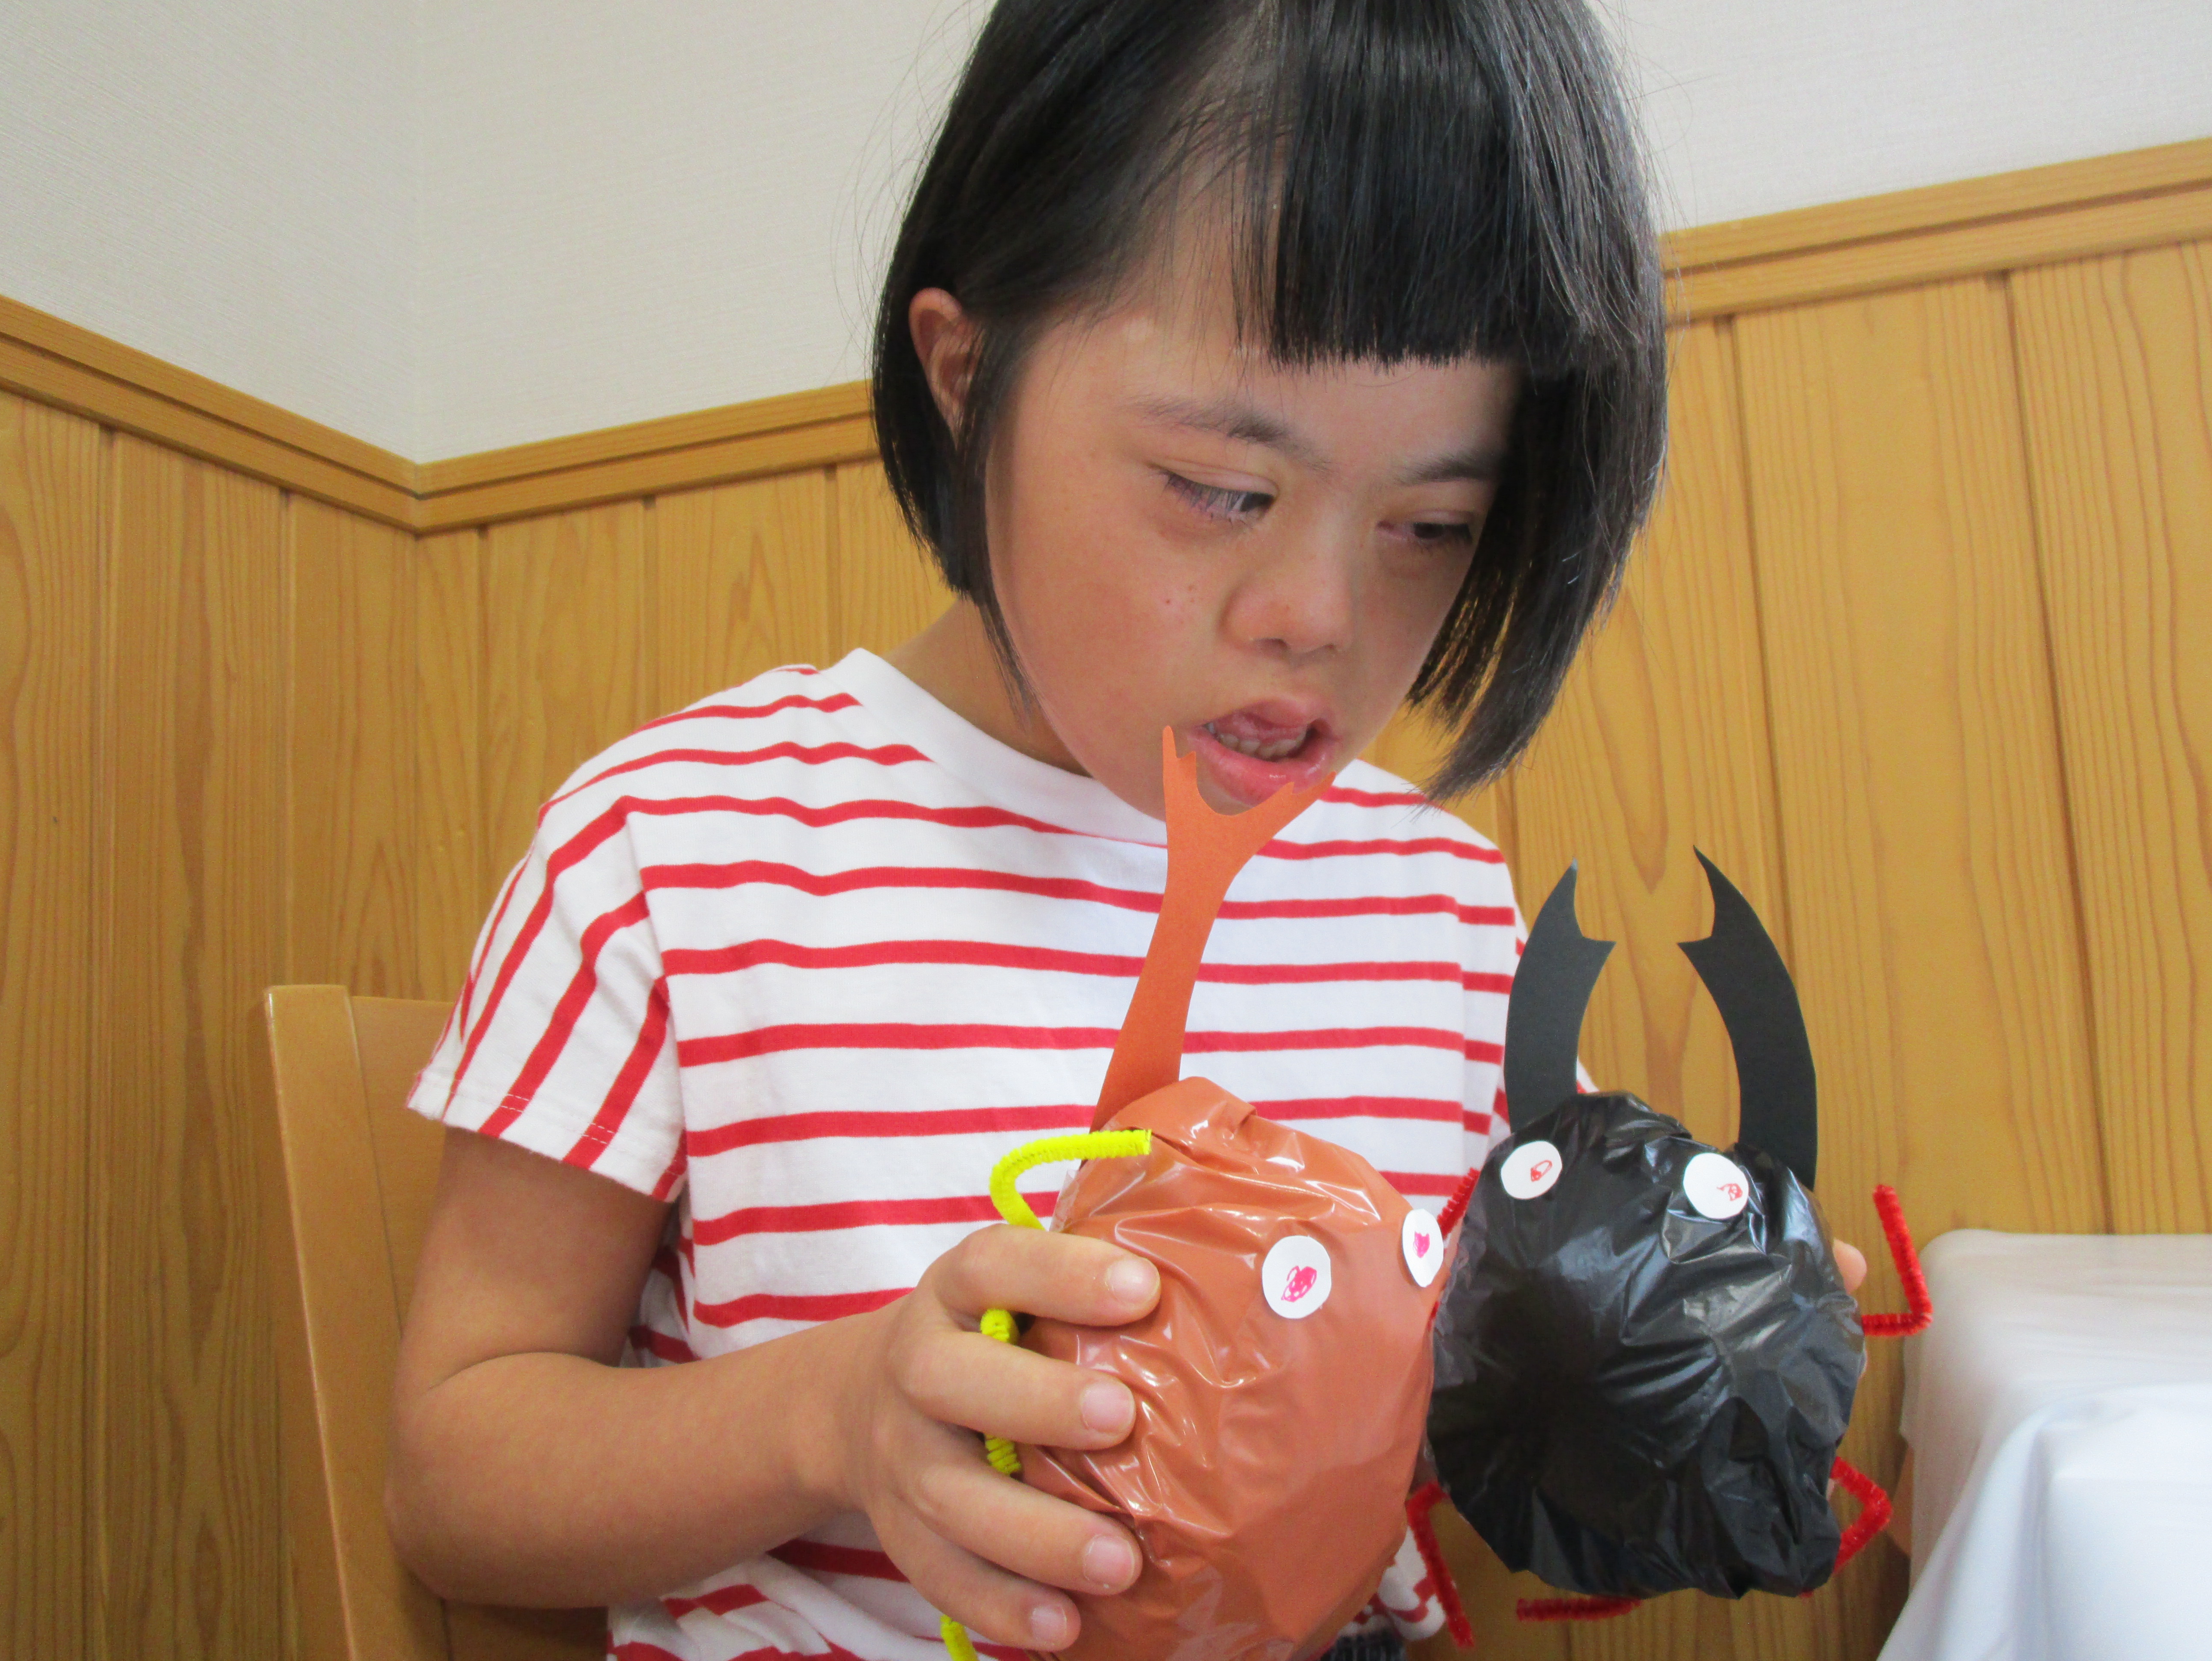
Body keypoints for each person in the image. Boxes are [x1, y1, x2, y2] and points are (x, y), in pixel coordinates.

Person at [387, 3, 1680, 1657]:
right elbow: (452, 1475)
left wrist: (1666, 1354)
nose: (1318, 613)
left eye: (1432, 524)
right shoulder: (678, 852)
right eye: (1221, 489)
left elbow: (1509, 1395)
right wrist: (830, 1414)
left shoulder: (1436, 908)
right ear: (966, 373)